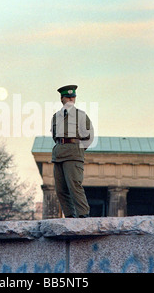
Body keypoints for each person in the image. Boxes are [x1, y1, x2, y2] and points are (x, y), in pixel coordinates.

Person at [51, 85, 94, 218]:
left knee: (74, 186)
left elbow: (89, 136)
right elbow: (55, 136)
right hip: (58, 155)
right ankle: (70, 216)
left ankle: (83, 215)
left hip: (73, 155)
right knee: (60, 190)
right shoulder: (56, 116)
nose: (71, 99)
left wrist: (76, 148)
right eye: (68, 97)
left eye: (73, 97)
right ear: (61, 99)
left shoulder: (80, 115)